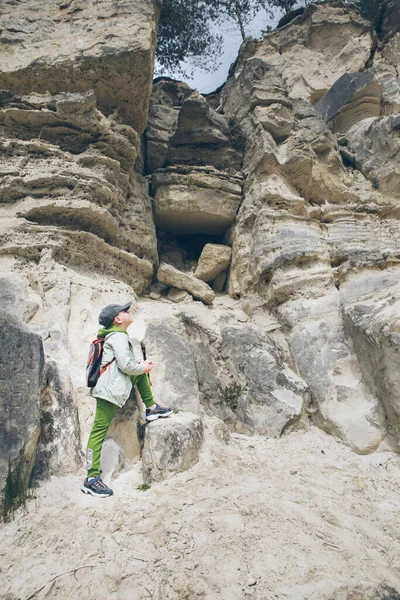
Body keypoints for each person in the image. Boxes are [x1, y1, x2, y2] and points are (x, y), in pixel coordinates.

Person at [81, 301, 172, 498]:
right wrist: (143, 367)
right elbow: (126, 366)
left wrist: (140, 366)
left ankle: (151, 408)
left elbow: (128, 365)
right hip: (107, 391)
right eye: (125, 310)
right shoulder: (118, 337)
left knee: (139, 371)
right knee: (98, 431)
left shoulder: (115, 336)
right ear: (118, 319)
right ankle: (91, 478)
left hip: (109, 388)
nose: (128, 311)